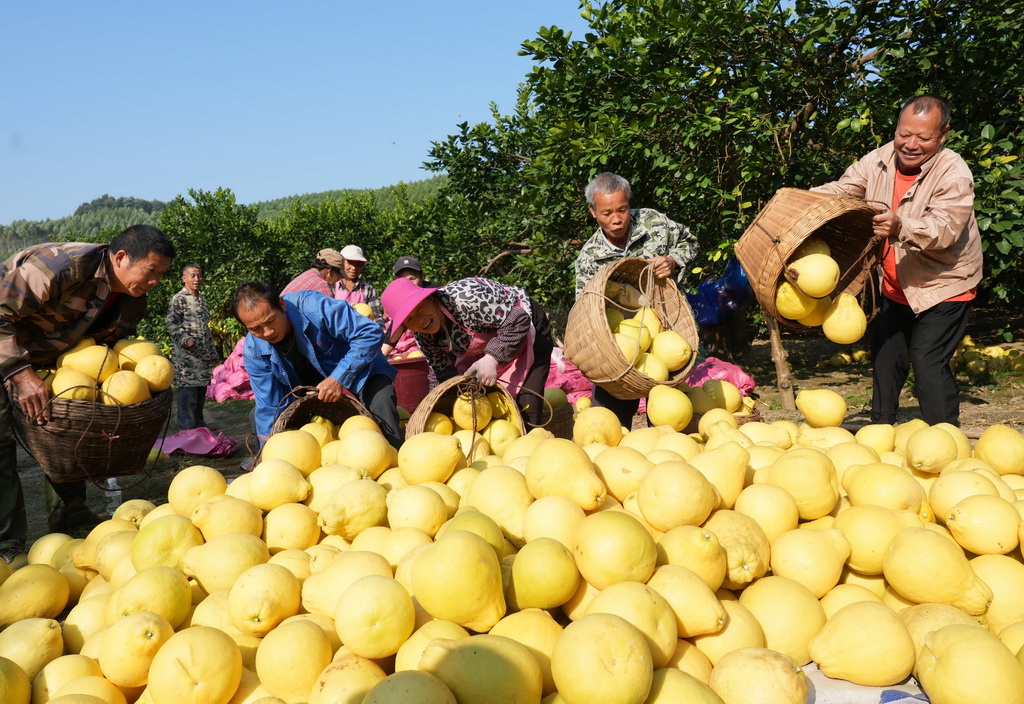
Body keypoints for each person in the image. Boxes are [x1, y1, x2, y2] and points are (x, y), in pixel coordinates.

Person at [0, 225, 176, 559]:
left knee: (71, 432)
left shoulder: (133, 300)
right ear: (121, 258)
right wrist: (20, 374)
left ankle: (71, 515)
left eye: (161, 275)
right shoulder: (63, 266)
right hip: (5, 349)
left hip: (50, 359)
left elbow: (105, 348)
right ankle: (6, 541)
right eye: (151, 272)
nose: (155, 282)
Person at [810, 95, 982, 425]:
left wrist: (900, 225)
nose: (910, 144)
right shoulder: (880, 158)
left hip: (943, 285)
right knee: (886, 357)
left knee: (927, 359)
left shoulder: (954, 174)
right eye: (904, 133)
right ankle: (881, 431)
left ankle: (945, 437)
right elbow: (845, 189)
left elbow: (944, 230)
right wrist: (802, 197)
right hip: (896, 284)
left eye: (923, 137)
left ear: (943, 134)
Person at [574, 172, 700, 427]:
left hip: (665, 331)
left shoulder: (653, 222)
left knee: (670, 421)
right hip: (616, 345)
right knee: (610, 423)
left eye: (623, 209)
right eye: (607, 213)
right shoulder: (589, 258)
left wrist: (673, 261)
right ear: (592, 211)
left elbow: (690, 242)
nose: (617, 219)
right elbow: (584, 310)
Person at [232, 282, 402, 449]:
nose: (268, 332)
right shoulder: (254, 351)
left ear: (282, 305)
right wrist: (269, 451)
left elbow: (369, 333)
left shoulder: (314, 307)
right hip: (305, 390)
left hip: (358, 370)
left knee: (381, 397)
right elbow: (269, 405)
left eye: (271, 321)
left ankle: (393, 457)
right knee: (257, 416)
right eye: (256, 329)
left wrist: (338, 378)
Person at [381, 276, 554, 426]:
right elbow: (441, 373)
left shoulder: (465, 299)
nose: (420, 320)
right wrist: (437, 405)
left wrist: (492, 358)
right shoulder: (423, 336)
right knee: (490, 410)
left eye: (419, 308)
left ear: (432, 299)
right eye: (410, 318)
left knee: (526, 409)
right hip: (493, 345)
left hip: (527, 326)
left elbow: (518, 319)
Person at [166, 264, 219, 430]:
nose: (197, 279)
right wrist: (185, 338)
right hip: (186, 357)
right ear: (184, 278)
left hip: (202, 356)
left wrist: (212, 351)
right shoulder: (179, 299)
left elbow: (205, 328)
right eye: (193, 276)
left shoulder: (200, 300)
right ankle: (187, 426)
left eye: (199, 276)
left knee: (201, 388)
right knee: (188, 389)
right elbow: (171, 323)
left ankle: (198, 423)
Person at [334, 244, 384, 323]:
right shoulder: (332, 285)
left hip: (362, 333)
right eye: (350, 262)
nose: (354, 268)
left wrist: (380, 331)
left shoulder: (368, 289)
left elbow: (377, 316)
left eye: (358, 264)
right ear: (341, 263)